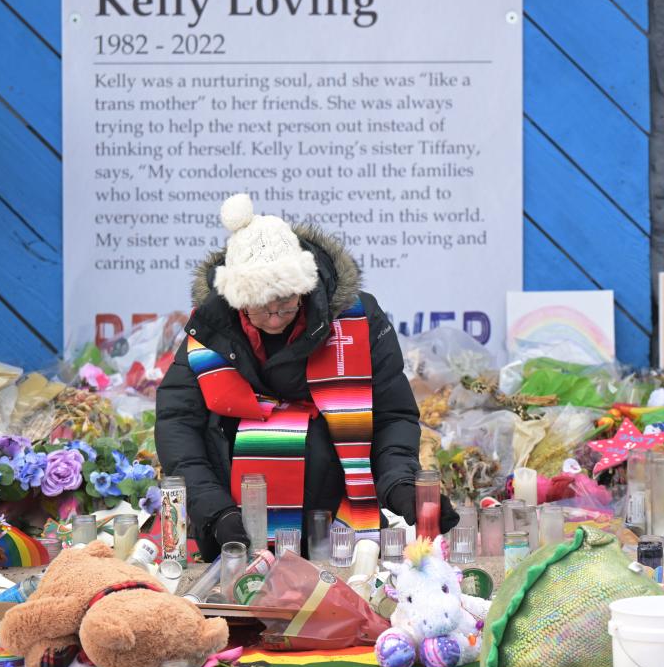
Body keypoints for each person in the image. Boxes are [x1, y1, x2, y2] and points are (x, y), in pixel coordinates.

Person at [156, 193, 457, 560]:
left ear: (305, 286)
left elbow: (392, 416)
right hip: (235, 525)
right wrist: (215, 513)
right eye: (260, 308)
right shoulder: (210, 330)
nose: (274, 318)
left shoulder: (358, 321)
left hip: (338, 526)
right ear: (235, 300)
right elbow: (177, 426)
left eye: (285, 303)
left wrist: (401, 485)